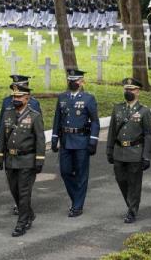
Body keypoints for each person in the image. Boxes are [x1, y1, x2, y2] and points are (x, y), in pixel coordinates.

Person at [0, 85, 45, 237]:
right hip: (10, 160)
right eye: (14, 97)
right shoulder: (8, 114)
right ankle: (29, 214)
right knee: (14, 190)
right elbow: (2, 137)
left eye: (19, 97)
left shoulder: (35, 116)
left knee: (24, 193)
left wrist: (39, 160)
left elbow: (40, 140)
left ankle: (21, 223)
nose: (15, 99)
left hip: (27, 160)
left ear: (27, 98)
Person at [51, 69, 100, 217]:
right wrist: (54, 138)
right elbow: (57, 120)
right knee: (65, 172)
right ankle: (76, 199)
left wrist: (93, 140)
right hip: (66, 140)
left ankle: (77, 206)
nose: (72, 82)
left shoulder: (88, 99)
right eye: (70, 80)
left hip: (81, 141)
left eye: (76, 80)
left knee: (81, 174)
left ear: (81, 82)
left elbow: (95, 122)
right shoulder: (62, 98)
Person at [106, 78, 151, 223]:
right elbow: (112, 131)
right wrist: (109, 150)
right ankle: (130, 203)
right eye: (126, 89)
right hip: (119, 152)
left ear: (137, 91)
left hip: (135, 152)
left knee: (134, 183)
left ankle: (132, 210)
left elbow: (148, 135)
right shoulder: (118, 108)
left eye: (131, 89)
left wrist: (146, 156)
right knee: (121, 180)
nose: (128, 92)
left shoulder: (144, 111)